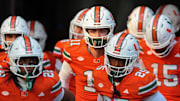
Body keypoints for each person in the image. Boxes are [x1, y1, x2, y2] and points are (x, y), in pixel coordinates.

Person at [60, 5, 116, 101]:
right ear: (85, 30)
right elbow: (63, 79)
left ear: (110, 30)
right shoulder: (74, 50)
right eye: (92, 30)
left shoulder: (118, 52)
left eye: (102, 30)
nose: (97, 36)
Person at [93, 32, 166, 101]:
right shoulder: (99, 76)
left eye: (121, 61)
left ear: (133, 60)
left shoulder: (141, 81)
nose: (115, 65)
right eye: (113, 59)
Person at [0, 35, 75, 101]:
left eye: (32, 60)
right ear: (13, 61)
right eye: (23, 61)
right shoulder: (2, 82)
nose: (28, 66)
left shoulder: (49, 82)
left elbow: (69, 98)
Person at [139, 14, 180, 100]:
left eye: (162, 47)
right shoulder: (142, 47)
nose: (159, 51)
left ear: (172, 36)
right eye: (156, 48)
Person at [53, 8, 89, 95]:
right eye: (77, 27)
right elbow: (58, 78)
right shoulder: (63, 46)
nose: (77, 31)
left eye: (82, 28)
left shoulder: (101, 52)